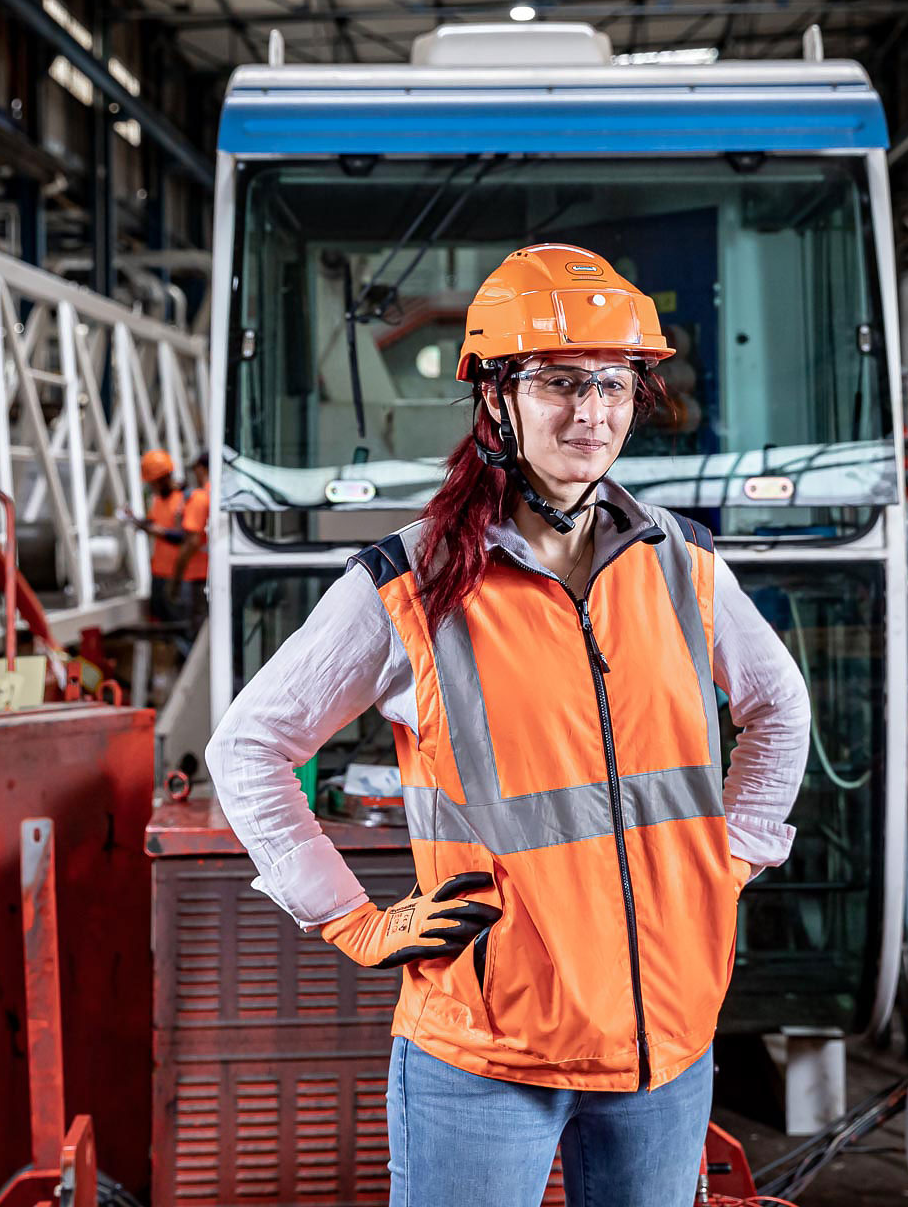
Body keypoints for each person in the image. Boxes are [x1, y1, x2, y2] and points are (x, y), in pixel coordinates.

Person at [208, 244, 809, 1207]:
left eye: (613, 384)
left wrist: (732, 852)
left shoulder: (682, 567)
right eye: (559, 383)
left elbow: (781, 707)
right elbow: (248, 749)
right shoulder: (409, 585)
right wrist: (348, 920)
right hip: (488, 1052)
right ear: (495, 398)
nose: (592, 413)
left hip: (666, 1040)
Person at [132, 449, 186, 627]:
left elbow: (180, 537)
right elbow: (154, 522)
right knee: (160, 624)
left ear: (163, 479)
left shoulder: (182, 500)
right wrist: (137, 520)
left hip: (177, 576)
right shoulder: (158, 501)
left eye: (153, 483)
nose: (152, 487)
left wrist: (151, 529)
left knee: (177, 624)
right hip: (158, 573)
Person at [173, 452, 212, 648]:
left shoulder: (199, 498)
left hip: (199, 578)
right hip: (216, 576)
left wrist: (176, 577)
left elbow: (192, 541)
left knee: (198, 635)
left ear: (200, 468)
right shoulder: (221, 493)